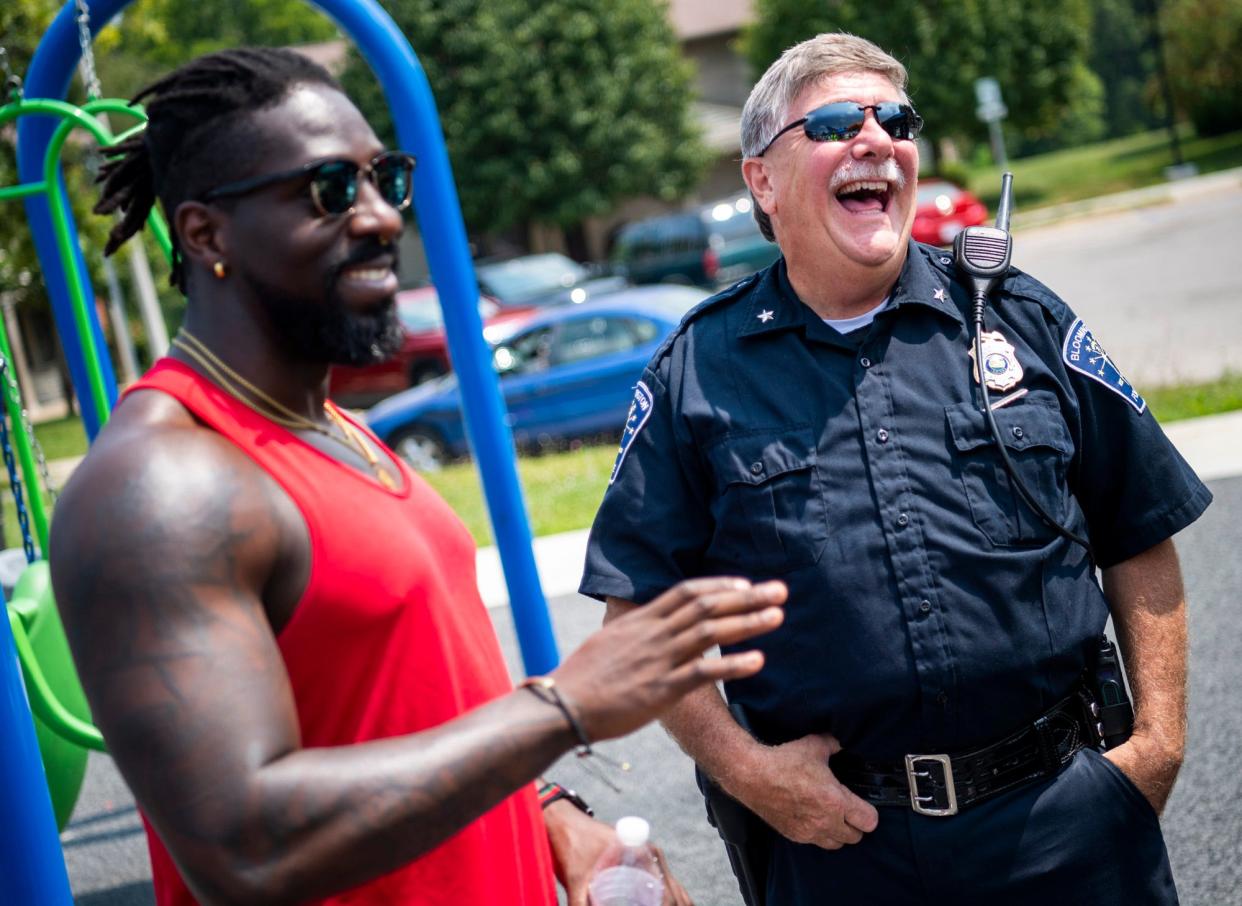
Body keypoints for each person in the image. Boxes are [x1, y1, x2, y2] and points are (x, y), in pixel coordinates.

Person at [49, 47, 789, 906]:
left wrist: (553, 816)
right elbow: (241, 847)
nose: (378, 218)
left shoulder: (336, 431)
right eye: (329, 189)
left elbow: (408, 709)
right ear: (206, 232)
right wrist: (564, 707)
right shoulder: (160, 484)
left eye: (383, 179)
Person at [580, 32, 1211, 905]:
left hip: (1069, 819)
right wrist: (748, 772)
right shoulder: (696, 374)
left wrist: (1158, 748)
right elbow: (638, 610)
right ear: (761, 179)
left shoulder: (1019, 319)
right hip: (842, 849)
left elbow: (1139, 522)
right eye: (837, 123)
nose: (874, 139)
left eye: (895, 120)